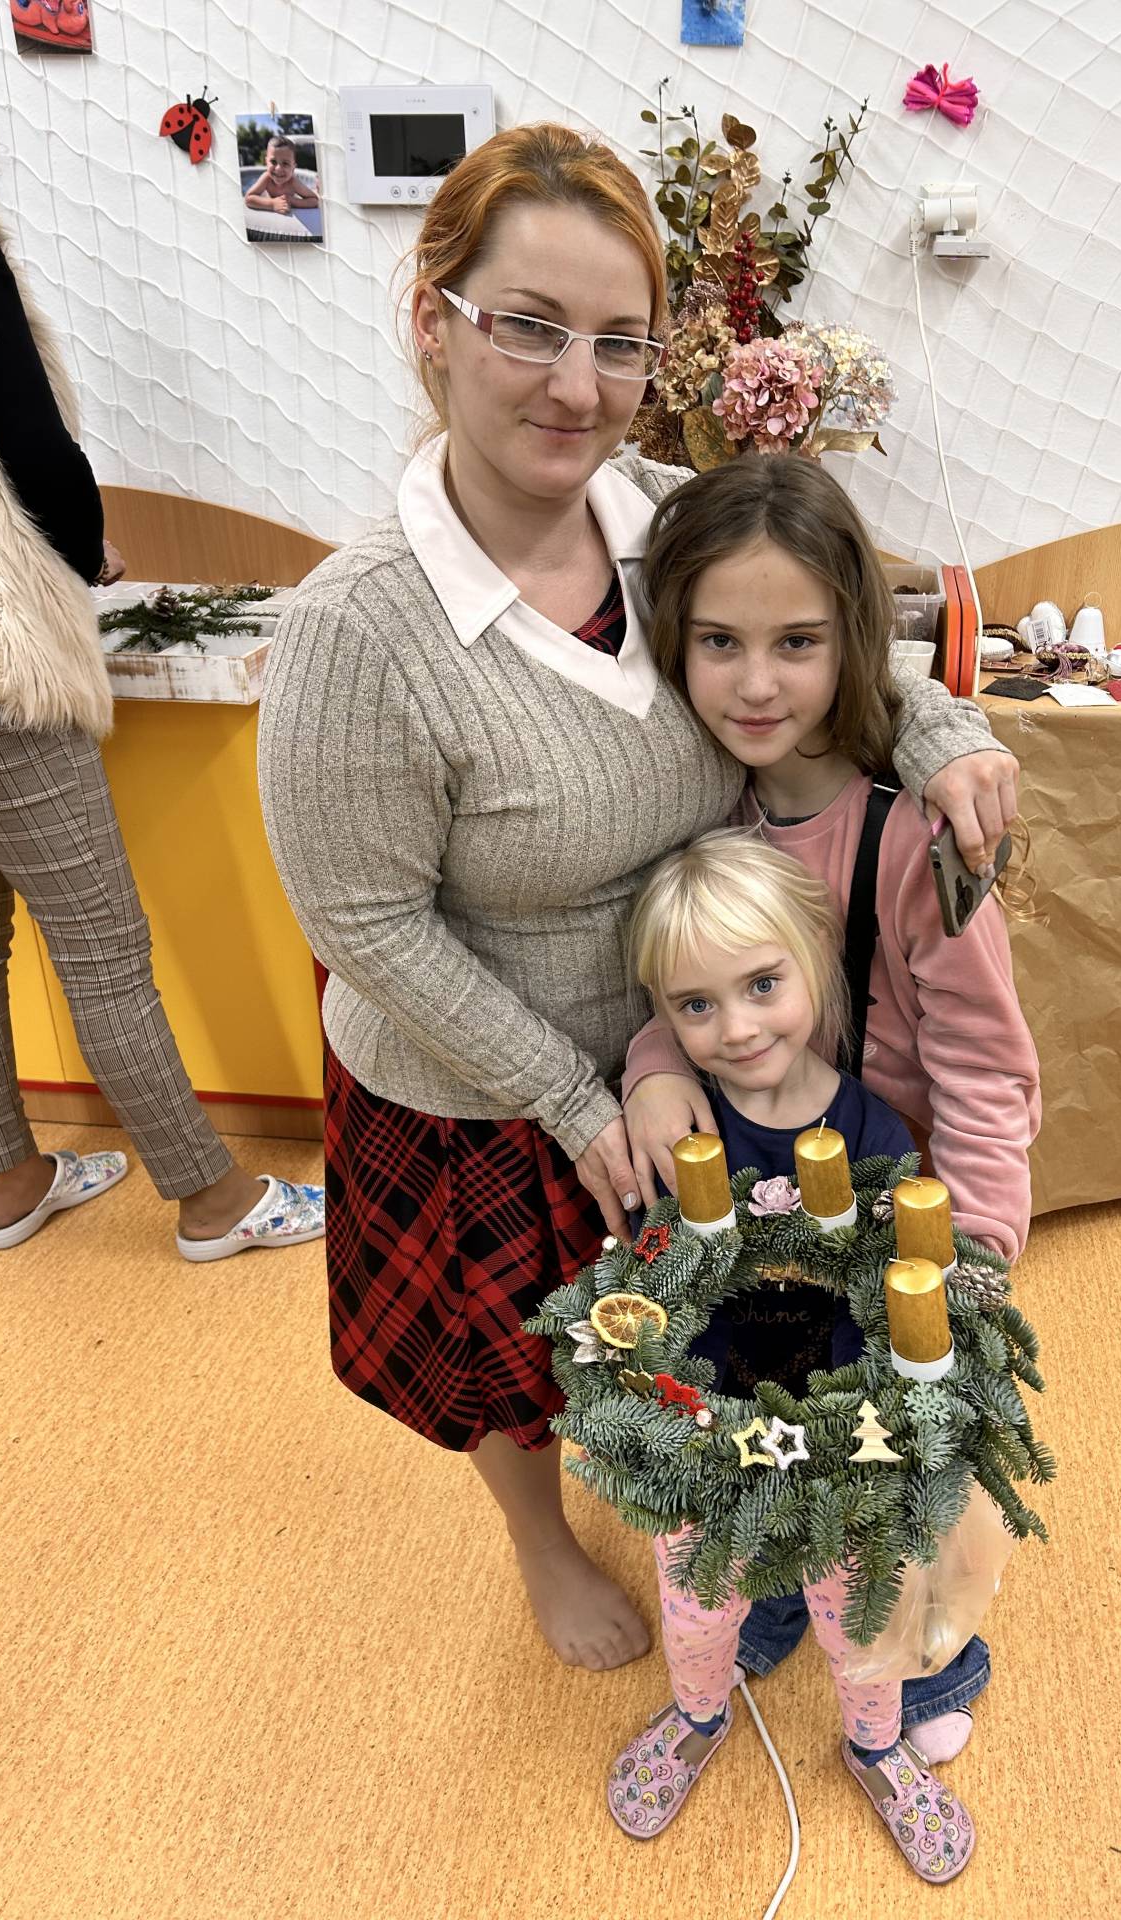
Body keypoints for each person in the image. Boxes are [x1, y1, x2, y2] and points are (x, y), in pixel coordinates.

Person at [256, 121, 1022, 1674]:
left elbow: (825, 630)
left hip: (697, 1041)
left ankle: (733, 1526)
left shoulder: (669, 518)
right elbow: (365, 926)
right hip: (487, 1081)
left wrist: (942, 730)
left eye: (620, 340)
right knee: (516, 1361)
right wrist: (569, 1096)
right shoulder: (364, 631)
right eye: (529, 326)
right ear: (434, 321)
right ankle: (540, 1543)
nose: (577, 384)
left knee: (712, 1336)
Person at [621, 453, 1040, 1759]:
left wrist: (973, 1254)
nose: (757, 684)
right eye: (721, 643)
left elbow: (984, 1063)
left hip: (900, 1219)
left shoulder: (917, 836)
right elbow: (681, 982)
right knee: (770, 1401)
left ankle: (933, 1661)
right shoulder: (699, 806)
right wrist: (655, 1063)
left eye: (796, 643)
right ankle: (773, 1584)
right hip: (765, 1201)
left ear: (852, 638)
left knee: (910, 1466)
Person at [612, 832, 976, 1883]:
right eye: (696, 1005)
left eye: (762, 985)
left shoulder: (876, 1134)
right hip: (708, 1436)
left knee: (862, 1611)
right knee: (696, 1602)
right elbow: (655, 1281)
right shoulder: (685, 1134)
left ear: (815, 960)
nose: (735, 1029)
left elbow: (904, 1296)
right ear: (664, 1012)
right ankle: (698, 1715)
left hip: (846, 1442)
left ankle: (875, 1745)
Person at [0, 138, 324, 1261]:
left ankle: (7, 1179)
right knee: (103, 948)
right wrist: (82, 549)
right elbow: (34, 450)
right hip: (2, 660)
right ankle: (212, 1198)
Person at [244, 137, 320, 217]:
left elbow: (314, 200)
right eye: (273, 162)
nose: (278, 168)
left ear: (293, 167)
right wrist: (272, 204)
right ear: (266, 162)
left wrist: (293, 201)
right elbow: (248, 198)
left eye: (285, 163)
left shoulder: (293, 182)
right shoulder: (266, 178)